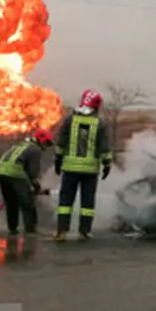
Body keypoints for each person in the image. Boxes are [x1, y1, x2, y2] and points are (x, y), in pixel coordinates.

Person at [53, 89, 113, 241]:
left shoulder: (70, 120)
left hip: (70, 168)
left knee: (65, 201)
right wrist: (107, 163)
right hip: (90, 170)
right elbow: (104, 146)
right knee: (87, 202)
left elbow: (61, 141)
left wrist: (58, 159)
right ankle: (84, 232)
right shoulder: (99, 123)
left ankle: (61, 232)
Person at [0, 128, 55, 235]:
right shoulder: (35, 149)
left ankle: (12, 228)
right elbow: (32, 172)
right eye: (47, 143)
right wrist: (36, 186)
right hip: (15, 172)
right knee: (27, 201)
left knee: (11, 202)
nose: (46, 147)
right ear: (41, 140)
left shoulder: (21, 144)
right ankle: (31, 228)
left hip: (1, 172)